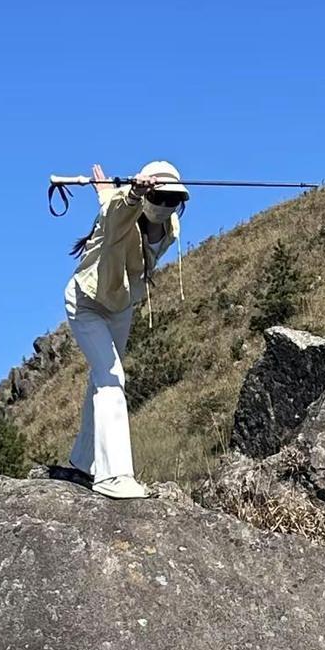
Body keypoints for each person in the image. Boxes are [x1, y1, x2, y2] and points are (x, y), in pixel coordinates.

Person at [61, 160, 189, 498]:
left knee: (102, 378)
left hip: (120, 308)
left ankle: (84, 462)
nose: (165, 206)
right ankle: (113, 476)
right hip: (86, 303)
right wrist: (130, 194)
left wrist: (111, 195)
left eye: (172, 200)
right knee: (112, 376)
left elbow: (113, 205)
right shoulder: (120, 215)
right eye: (159, 197)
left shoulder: (171, 226)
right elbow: (116, 213)